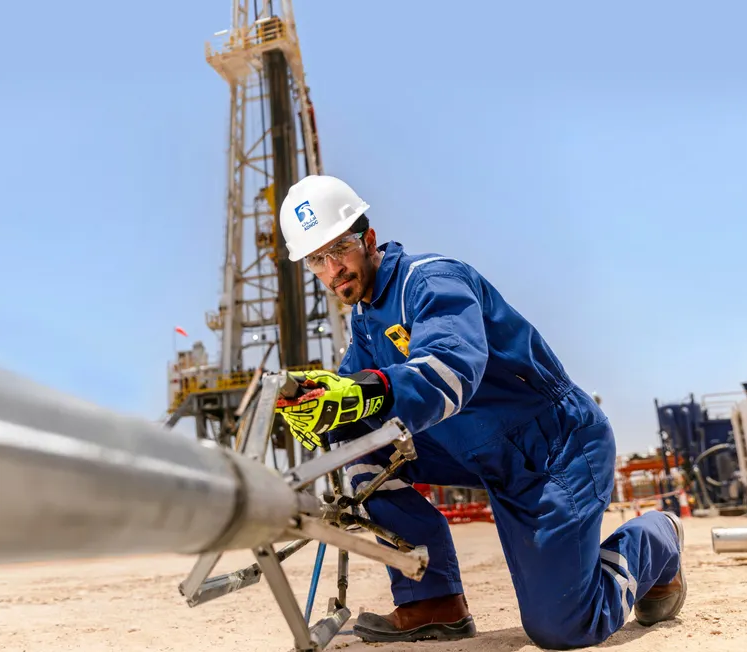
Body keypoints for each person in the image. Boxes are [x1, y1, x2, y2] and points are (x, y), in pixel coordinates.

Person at [273, 174, 686, 649]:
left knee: (564, 626)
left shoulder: (430, 280)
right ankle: (432, 599)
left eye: (339, 248)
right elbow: (355, 397)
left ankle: (657, 538)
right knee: (353, 443)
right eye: (316, 259)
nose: (332, 268)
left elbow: (451, 368)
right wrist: (318, 415)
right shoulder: (366, 321)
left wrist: (364, 392)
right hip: (479, 452)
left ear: (367, 238)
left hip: (554, 450)